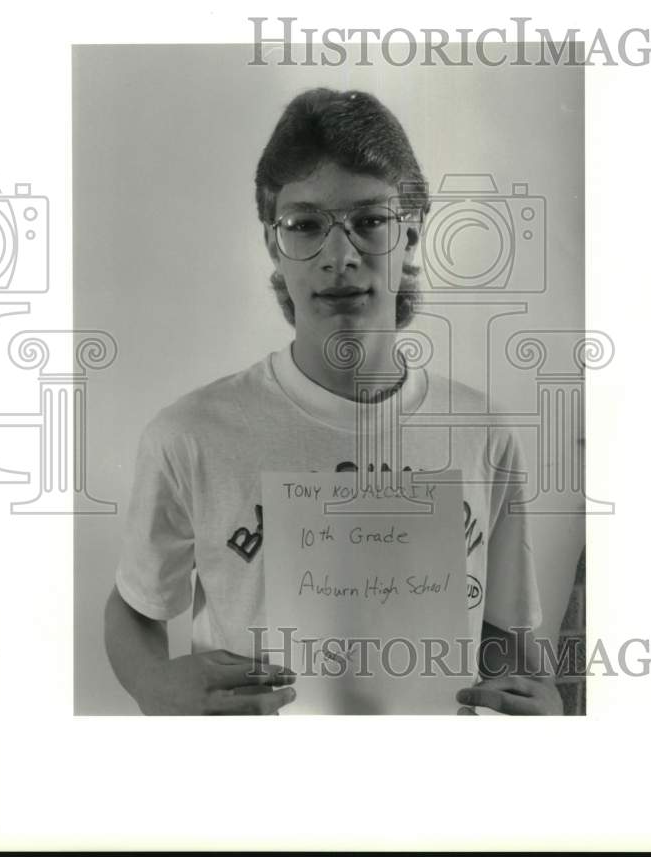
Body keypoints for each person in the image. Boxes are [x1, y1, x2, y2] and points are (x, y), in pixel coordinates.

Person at [104, 88, 563, 716]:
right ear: (273, 244)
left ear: (410, 237)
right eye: (306, 225)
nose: (339, 256)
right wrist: (152, 685)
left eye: (370, 221)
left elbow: (508, 638)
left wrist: (544, 710)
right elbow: (135, 606)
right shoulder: (190, 435)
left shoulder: (482, 432)